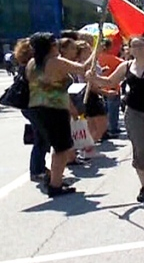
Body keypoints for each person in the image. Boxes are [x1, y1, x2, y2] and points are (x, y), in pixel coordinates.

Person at [88, 37, 144, 202]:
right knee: (141, 148)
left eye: (141, 45)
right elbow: (110, 81)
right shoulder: (126, 66)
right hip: (135, 112)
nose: (137, 49)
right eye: (133, 46)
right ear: (129, 49)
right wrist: (92, 78)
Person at [25, 32, 95, 197]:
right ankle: (55, 185)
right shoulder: (55, 62)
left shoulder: (31, 63)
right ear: (50, 46)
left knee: (55, 146)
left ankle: (54, 180)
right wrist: (95, 53)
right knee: (61, 149)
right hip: (54, 109)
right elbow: (83, 68)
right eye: (54, 43)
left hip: (36, 108)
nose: (56, 46)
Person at [13, 39, 52, 182]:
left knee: (40, 136)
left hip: (29, 106)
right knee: (41, 138)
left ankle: (39, 167)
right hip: (34, 106)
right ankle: (37, 170)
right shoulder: (33, 66)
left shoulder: (25, 66)